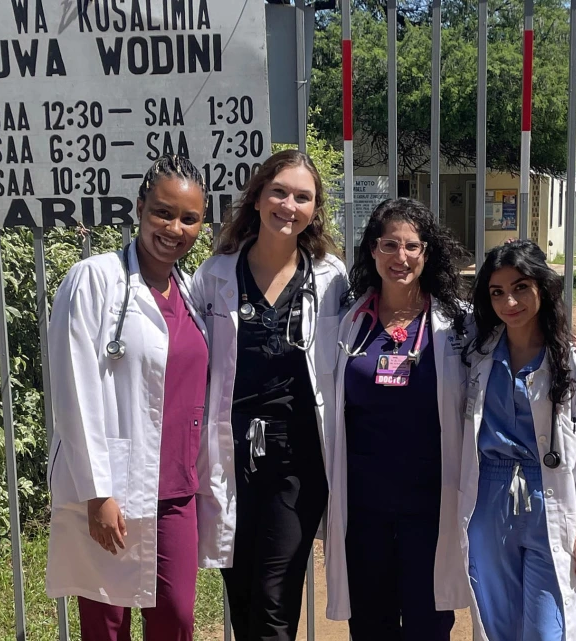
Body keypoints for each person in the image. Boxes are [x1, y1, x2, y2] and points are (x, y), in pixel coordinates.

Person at [45, 155, 210, 641]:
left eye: (189, 218)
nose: (174, 228)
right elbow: (74, 390)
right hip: (112, 484)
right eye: (162, 212)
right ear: (139, 209)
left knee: (176, 617)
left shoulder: (191, 291)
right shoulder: (94, 279)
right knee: (106, 624)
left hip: (177, 487)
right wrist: (97, 493)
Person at [189, 149, 347, 641]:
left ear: (314, 210)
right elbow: (178, 348)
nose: (289, 205)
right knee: (242, 598)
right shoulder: (214, 276)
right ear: (257, 197)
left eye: (303, 197)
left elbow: (387, 320)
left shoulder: (331, 277)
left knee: (275, 600)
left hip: (297, 462)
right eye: (279, 191)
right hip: (231, 459)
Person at [325, 198, 473, 640]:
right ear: (372, 250)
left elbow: (521, 341)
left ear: (428, 253)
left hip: (429, 509)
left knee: (429, 627)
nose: (400, 257)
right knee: (370, 627)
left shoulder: (458, 326)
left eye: (412, 246)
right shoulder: (348, 322)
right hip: (364, 510)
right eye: (389, 245)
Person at [459, 240, 576, 641]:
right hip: (489, 500)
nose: (509, 301)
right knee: (497, 625)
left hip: (549, 496)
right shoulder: (477, 357)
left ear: (543, 289)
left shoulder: (573, 364)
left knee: (548, 627)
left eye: (521, 287)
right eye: (497, 292)